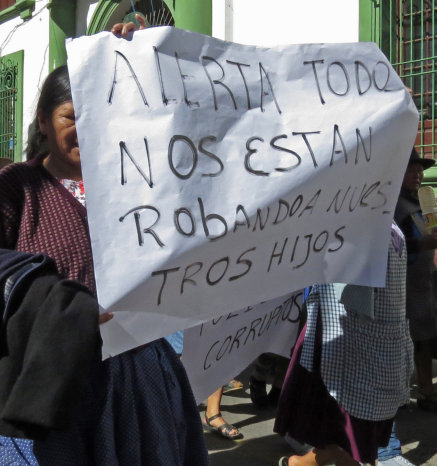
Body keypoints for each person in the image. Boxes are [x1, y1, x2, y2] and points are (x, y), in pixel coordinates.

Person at [0, 20, 209, 466]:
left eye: (98, 115)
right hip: (52, 380)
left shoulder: (140, 180)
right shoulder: (16, 188)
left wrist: (144, 59)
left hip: (137, 373)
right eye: (71, 116)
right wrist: (55, 301)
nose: (87, 128)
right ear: (43, 121)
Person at [274, 222, 414, 465]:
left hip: (374, 353)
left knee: (350, 439)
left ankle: (297, 463)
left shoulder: (386, 226)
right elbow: (348, 296)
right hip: (348, 354)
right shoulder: (349, 227)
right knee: (350, 438)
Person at [394, 148, 437, 411]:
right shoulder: (393, 206)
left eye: (420, 170)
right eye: (411, 170)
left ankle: (425, 390)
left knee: (425, 337)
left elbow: (430, 231)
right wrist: (420, 245)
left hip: (424, 280)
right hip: (403, 285)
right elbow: (391, 245)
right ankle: (411, 393)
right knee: (409, 340)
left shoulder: (422, 201)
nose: (418, 175)